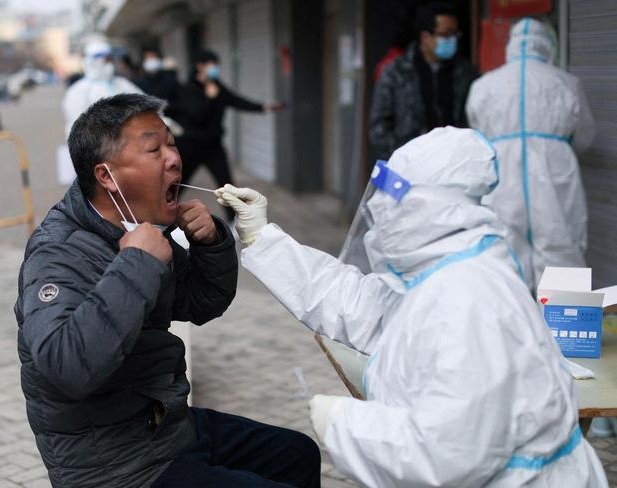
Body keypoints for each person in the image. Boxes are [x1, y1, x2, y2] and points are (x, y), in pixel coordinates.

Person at [216, 127, 608, 487]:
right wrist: (262, 237)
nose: (380, 211)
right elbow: (359, 304)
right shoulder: (443, 271)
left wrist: (345, 424)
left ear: (428, 206)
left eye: (392, 198)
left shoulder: (469, 299)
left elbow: (450, 454)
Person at [15, 93, 320, 488]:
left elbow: (202, 302)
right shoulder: (58, 252)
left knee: (296, 454)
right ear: (106, 175)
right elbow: (68, 366)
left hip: (166, 426)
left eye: (171, 143)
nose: (174, 158)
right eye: (153, 149)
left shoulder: (136, 226)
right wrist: (137, 265)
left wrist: (212, 243)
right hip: (114, 465)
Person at [466, 18, 595, 292]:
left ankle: (512, 326)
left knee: (504, 248)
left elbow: (476, 133)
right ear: (548, 46)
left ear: (511, 46)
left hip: (501, 175)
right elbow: (584, 135)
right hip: (554, 172)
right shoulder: (566, 83)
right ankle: (565, 330)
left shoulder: (483, 86)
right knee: (562, 245)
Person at [176, 49, 283, 222]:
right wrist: (210, 98)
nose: (215, 68)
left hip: (213, 147)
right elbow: (196, 115)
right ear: (200, 66)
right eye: (212, 64)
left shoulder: (217, 86)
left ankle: (234, 223)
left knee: (226, 187)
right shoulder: (188, 89)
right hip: (191, 146)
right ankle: (162, 218)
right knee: (178, 184)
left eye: (216, 65)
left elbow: (236, 101)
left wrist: (264, 107)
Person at [369, 2, 477, 160]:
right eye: (445, 34)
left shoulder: (465, 73)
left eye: (455, 34)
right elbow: (379, 127)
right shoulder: (396, 72)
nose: (452, 40)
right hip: (411, 166)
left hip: (454, 164)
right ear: (425, 37)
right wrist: (403, 158)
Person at [62, 39, 142, 138]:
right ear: (92, 61)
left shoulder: (121, 83)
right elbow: (77, 127)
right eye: (105, 60)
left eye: (110, 59)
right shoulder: (79, 91)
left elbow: (143, 104)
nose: (109, 63)